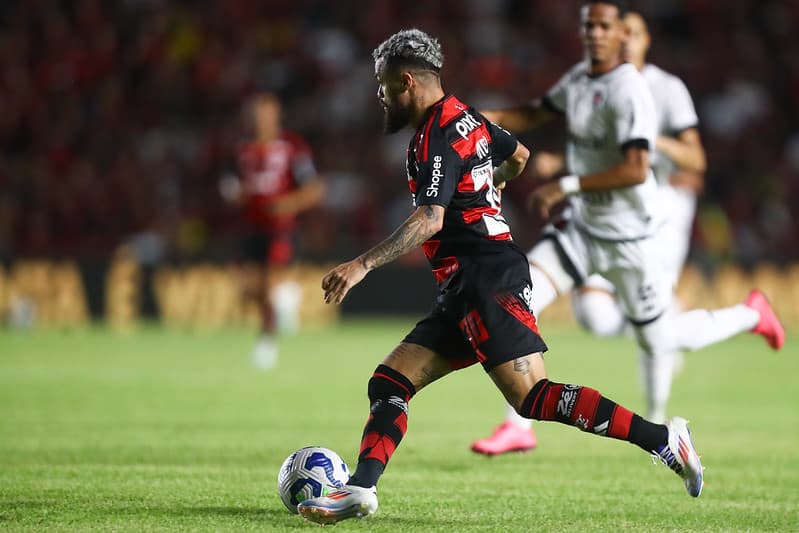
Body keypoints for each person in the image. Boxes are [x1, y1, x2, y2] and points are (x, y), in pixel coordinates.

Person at [296, 27, 705, 526]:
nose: (380, 96)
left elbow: (430, 218)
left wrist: (360, 265)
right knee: (389, 381)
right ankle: (359, 489)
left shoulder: (435, 137)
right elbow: (519, 156)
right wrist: (488, 196)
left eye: (384, 86)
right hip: (466, 283)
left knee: (534, 397)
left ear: (407, 81)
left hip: (485, 277)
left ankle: (664, 439)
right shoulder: (469, 118)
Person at [470, 1, 785, 456]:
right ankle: (518, 423)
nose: (597, 34)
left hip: (632, 241)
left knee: (663, 339)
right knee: (516, 300)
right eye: (589, 26)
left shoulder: (640, 88)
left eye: (608, 27)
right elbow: (537, 111)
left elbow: (638, 169)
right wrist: (478, 116)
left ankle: (752, 314)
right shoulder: (580, 79)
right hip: (583, 230)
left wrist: (566, 184)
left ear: (625, 35)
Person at [220, 92, 325, 370]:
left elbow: (314, 189)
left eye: (265, 114)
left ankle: (266, 343)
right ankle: (285, 296)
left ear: (276, 116)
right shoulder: (241, 149)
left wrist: (286, 204)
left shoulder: (292, 148)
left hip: (280, 228)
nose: (259, 120)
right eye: (255, 115)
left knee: (268, 286)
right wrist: (234, 194)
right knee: (247, 288)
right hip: (250, 226)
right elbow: (229, 184)